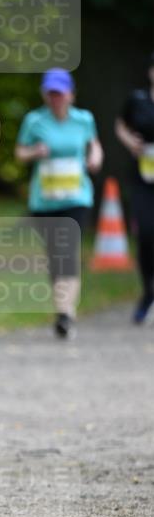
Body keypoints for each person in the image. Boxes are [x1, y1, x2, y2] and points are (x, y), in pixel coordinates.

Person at [15, 68, 103, 338]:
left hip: (77, 196)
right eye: (50, 93)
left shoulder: (83, 119)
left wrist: (95, 158)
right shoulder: (34, 120)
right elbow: (19, 153)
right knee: (56, 256)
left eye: (59, 93)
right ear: (45, 94)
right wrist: (35, 151)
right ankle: (63, 309)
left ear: (70, 94)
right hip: (45, 201)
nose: (55, 98)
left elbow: (94, 144)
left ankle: (66, 313)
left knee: (68, 251)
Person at [114, 53, 154, 324]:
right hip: (143, 178)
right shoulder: (138, 100)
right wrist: (131, 142)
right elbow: (120, 124)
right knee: (146, 235)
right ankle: (148, 293)